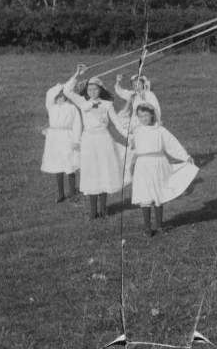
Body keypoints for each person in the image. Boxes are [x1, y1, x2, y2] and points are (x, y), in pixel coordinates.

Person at [63, 65, 126, 220]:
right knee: (91, 172)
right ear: (86, 91)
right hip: (89, 140)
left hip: (103, 139)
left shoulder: (107, 104)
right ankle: (93, 211)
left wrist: (129, 136)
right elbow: (67, 91)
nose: (92, 92)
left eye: (95, 89)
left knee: (104, 171)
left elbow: (117, 123)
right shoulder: (82, 101)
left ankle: (103, 209)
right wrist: (76, 75)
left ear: (100, 90)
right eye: (90, 89)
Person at [126, 103, 198, 236]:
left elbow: (172, 145)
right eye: (141, 116)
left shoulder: (160, 130)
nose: (144, 118)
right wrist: (130, 163)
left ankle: (159, 225)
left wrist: (185, 156)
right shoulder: (136, 131)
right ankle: (147, 227)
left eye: (146, 115)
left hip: (158, 163)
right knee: (145, 194)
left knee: (159, 193)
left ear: (152, 115)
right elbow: (131, 147)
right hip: (143, 165)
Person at [40, 82, 82, 203]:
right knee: (57, 165)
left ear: (66, 97)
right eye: (58, 97)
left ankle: (72, 193)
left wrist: (76, 140)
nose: (60, 99)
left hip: (67, 137)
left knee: (70, 164)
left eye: (62, 96)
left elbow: (77, 124)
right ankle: (60, 193)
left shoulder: (71, 108)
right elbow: (49, 93)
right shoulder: (51, 106)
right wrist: (60, 86)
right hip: (54, 139)